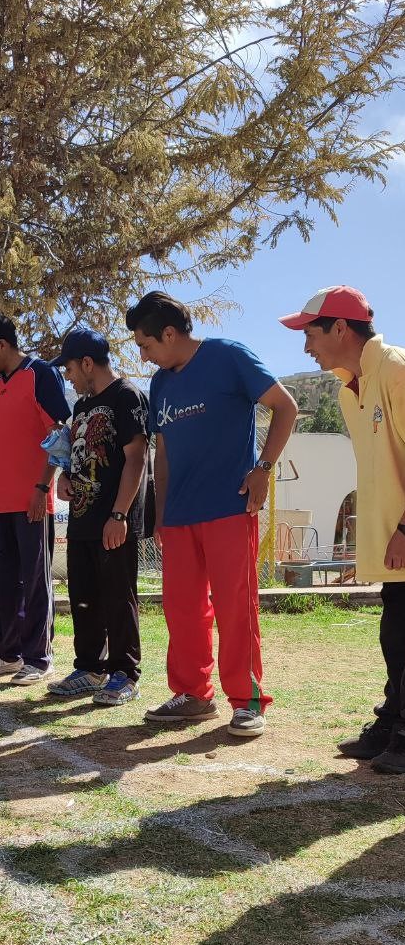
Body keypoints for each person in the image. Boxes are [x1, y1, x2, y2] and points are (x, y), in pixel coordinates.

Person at [125, 291, 297, 738]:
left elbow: (286, 407)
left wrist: (263, 469)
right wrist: (161, 513)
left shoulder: (228, 356)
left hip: (229, 507)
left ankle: (247, 700)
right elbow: (162, 453)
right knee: (182, 609)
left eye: (145, 345)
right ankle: (193, 694)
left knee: (235, 608)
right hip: (179, 516)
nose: (143, 356)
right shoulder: (160, 384)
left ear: (169, 333)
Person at [279, 286, 405, 773]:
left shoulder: (395, 369)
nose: (306, 346)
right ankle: (393, 722)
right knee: (396, 634)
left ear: (339, 328)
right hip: (390, 536)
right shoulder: (350, 389)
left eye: (310, 333)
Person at [47, 329, 150, 704]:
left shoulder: (127, 395)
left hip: (114, 519)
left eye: (70, 368)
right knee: (84, 597)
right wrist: (63, 478)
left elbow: (136, 458)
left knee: (118, 597)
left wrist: (119, 514)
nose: (68, 376)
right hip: (82, 519)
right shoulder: (81, 407)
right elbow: (77, 454)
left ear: (88, 363)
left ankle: (125, 674)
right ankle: (90, 668)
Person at [0, 313, 70, 683]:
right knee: (4, 582)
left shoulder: (41, 373)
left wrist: (42, 488)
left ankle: (39, 657)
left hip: (32, 500)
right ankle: (8, 652)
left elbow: (59, 433)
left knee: (35, 580)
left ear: (2, 344)